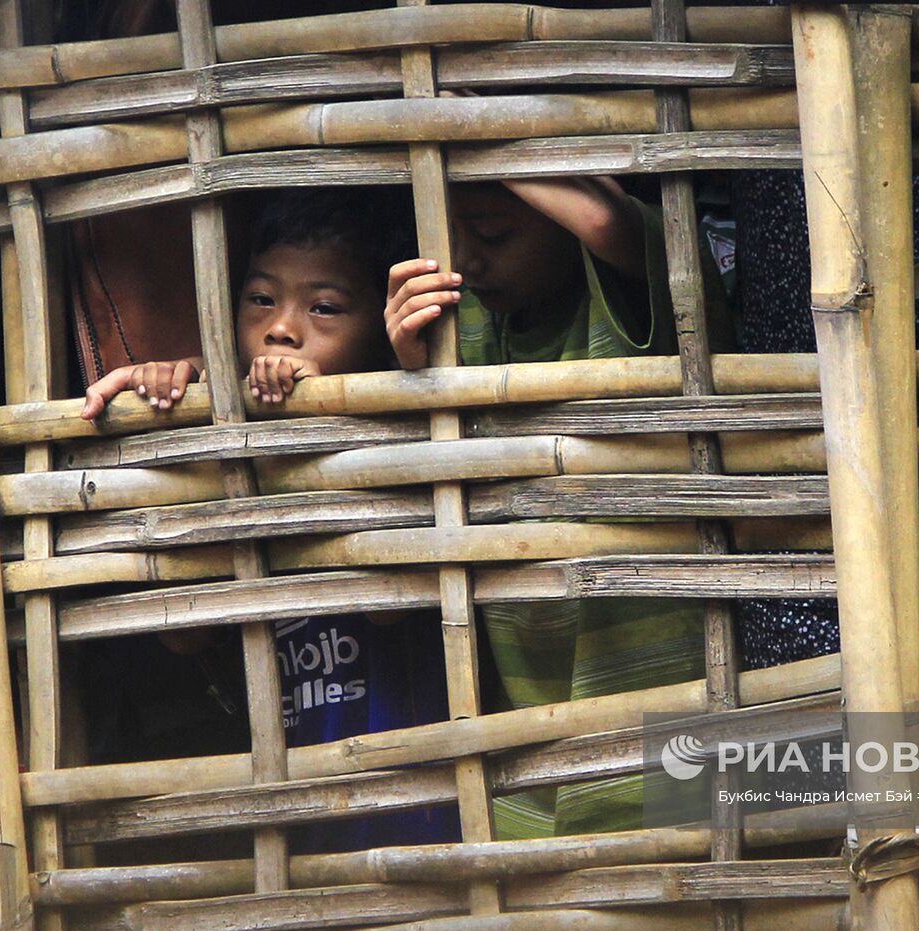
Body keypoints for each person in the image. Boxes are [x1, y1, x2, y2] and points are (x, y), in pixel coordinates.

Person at [80, 188, 458, 852]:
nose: (282, 328)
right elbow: (183, 638)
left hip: (412, 816)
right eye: (261, 299)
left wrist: (321, 420)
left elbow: (390, 606)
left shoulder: (403, 442)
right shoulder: (235, 461)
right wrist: (189, 402)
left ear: (380, 332)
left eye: (325, 307)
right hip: (290, 817)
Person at [390, 175, 733, 838]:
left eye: (491, 234)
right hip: (526, 734)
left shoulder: (637, 302)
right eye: (448, 234)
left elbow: (608, 223)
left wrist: (481, 128)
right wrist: (410, 358)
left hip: (666, 721)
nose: (466, 259)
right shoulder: (469, 327)